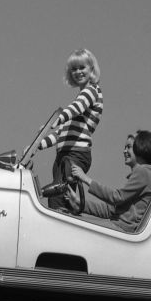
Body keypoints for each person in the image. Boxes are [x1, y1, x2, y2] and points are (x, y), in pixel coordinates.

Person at [38, 48, 103, 209]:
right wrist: (38, 144)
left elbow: (76, 107)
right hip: (64, 155)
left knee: (59, 195)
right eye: (74, 69)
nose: (78, 72)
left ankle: (59, 227)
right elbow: (61, 134)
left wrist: (57, 119)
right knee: (58, 195)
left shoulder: (92, 92)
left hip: (75, 154)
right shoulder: (81, 98)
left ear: (92, 69)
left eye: (82, 67)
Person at [66, 130, 151, 232]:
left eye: (129, 147)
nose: (124, 151)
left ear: (141, 147)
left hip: (122, 229)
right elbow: (111, 210)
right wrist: (80, 204)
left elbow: (116, 197)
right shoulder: (141, 174)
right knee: (73, 221)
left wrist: (85, 179)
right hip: (117, 226)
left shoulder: (144, 172)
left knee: (72, 226)